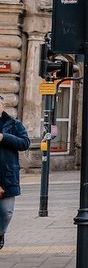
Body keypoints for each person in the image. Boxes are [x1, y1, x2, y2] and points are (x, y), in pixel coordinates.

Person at [0, 94, 30, 251]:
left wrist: (4, 138)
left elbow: (25, 143)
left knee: (6, 211)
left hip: (7, 175)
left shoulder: (14, 124)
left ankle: (0, 233)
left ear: (2, 107)